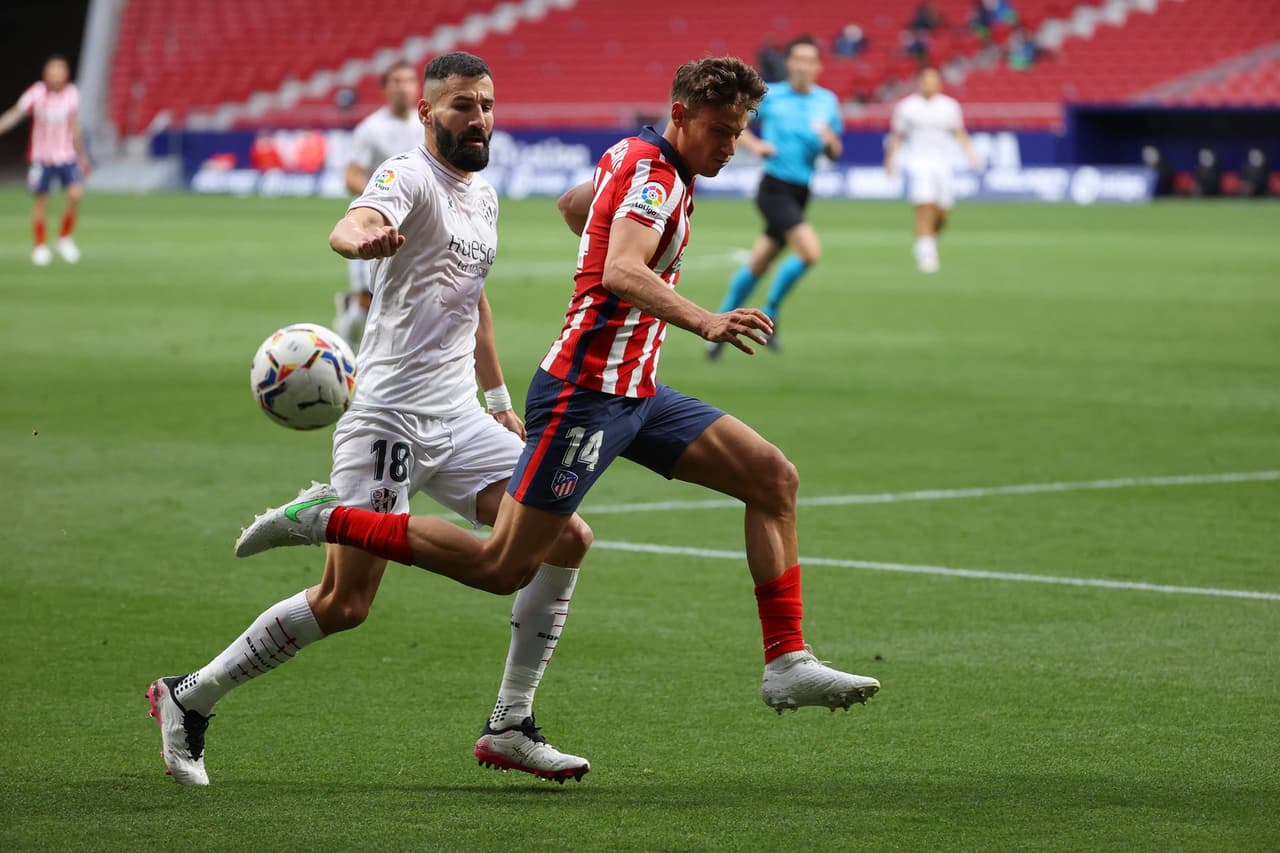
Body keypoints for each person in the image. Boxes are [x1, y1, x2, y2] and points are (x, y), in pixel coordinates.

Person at [235, 56, 881, 733]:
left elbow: (575, 207)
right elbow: (622, 269)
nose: (728, 146)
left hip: (636, 390)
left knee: (772, 477)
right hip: (586, 395)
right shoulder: (656, 178)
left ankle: (786, 659)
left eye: (737, 133)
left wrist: (602, 226)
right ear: (681, 116)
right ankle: (326, 518)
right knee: (498, 565)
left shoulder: (639, 158)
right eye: (719, 130)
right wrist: (706, 319)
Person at [147, 52, 594, 787]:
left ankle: (510, 722)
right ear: (426, 113)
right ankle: (190, 696)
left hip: (458, 415)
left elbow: (474, 300)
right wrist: (365, 238)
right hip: (386, 417)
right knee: (346, 602)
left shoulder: (482, 195)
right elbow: (352, 224)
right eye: (459, 106)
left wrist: (500, 403)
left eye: (485, 103)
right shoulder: (408, 175)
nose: (477, 117)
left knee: (564, 536)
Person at [708, 35, 842, 358]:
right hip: (773, 187)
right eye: (798, 59)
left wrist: (828, 141)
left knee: (759, 263)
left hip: (801, 191)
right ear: (789, 63)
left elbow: (836, 151)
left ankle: (719, 324)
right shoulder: (772, 96)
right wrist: (756, 146)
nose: (803, 66)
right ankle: (770, 312)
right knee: (809, 252)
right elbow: (733, 120)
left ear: (818, 66)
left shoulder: (827, 102)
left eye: (810, 60)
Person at [333, 59, 424, 349]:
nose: (403, 88)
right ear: (385, 88)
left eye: (408, 80)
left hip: (416, 224)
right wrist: (381, 194)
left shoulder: (426, 125)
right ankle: (343, 349)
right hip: (375, 222)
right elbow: (351, 176)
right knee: (368, 298)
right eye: (396, 81)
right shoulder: (370, 129)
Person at [884, 66, 979, 273]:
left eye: (933, 80)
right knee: (924, 208)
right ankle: (926, 253)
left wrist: (970, 154)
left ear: (939, 83)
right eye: (925, 80)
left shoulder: (949, 107)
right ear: (919, 82)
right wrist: (891, 161)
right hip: (919, 164)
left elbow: (958, 132)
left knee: (943, 213)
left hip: (944, 165)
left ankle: (926, 242)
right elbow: (897, 137)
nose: (929, 84)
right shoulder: (906, 107)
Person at [0, 55, 91, 266]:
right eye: (53, 70)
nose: (56, 75)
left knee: (76, 194)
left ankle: (64, 239)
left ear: (66, 74)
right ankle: (40, 246)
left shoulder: (72, 94)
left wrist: (82, 156)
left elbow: (74, 125)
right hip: (42, 158)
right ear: (46, 73)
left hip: (66, 155)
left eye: (60, 70)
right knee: (41, 201)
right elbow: (16, 113)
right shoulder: (37, 93)